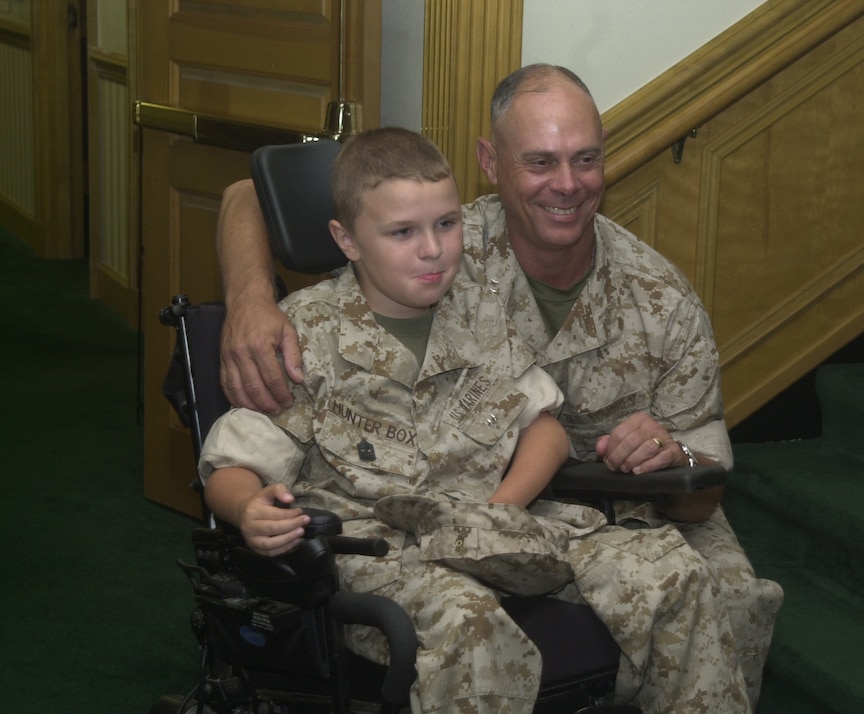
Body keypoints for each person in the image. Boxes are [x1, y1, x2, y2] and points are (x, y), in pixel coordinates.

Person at [217, 64, 779, 706]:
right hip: (440, 503)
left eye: (585, 158)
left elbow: (700, 488)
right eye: (540, 161)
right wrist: (250, 299)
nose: (566, 184)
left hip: (621, 502)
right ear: (491, 162)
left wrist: (671, 456)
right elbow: (244, 195)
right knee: (470, 621)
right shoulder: (450, 244)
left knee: (727, 601)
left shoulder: (662, 300)